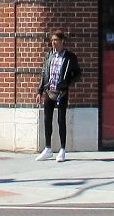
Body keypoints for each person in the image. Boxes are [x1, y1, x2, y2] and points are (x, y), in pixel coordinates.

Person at [35, 30, 82, 162]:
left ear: (62, 41)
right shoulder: (49, 56)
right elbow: (44, 73)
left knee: (61, 120)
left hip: (62, 92)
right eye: (52, 40)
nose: (53, 43)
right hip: (49, 91)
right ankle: (48, 148)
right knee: (47, 119)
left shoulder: (69, 57)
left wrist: (67, 83)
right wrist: (39, 91)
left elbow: (77, 74)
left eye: (56, 40)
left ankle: (62, 149)